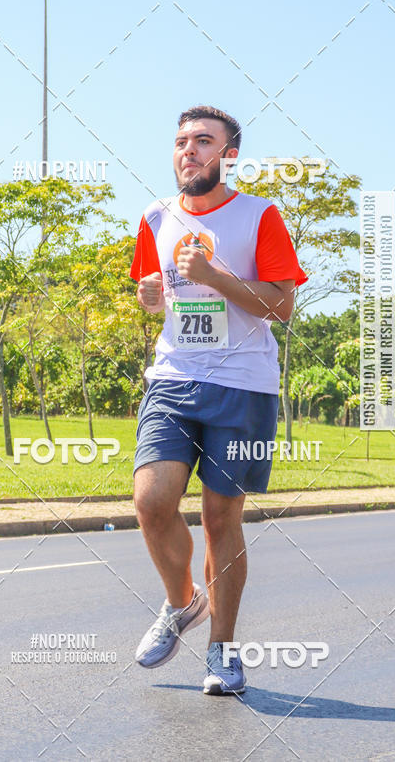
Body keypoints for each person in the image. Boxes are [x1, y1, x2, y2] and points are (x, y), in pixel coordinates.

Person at [129, 105, 307, 695]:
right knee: (151, 502)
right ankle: (182, 602)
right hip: (173, 377)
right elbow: (156, 297)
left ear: (229, 156)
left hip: (243, 383)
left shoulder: (259, 215)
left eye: (204, 141)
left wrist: (213, 275)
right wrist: (150, 296)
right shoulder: (156, 216)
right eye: (182, 141)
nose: (190, 150)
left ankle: (223, 650)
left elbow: (281, 305)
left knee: (219, 517)